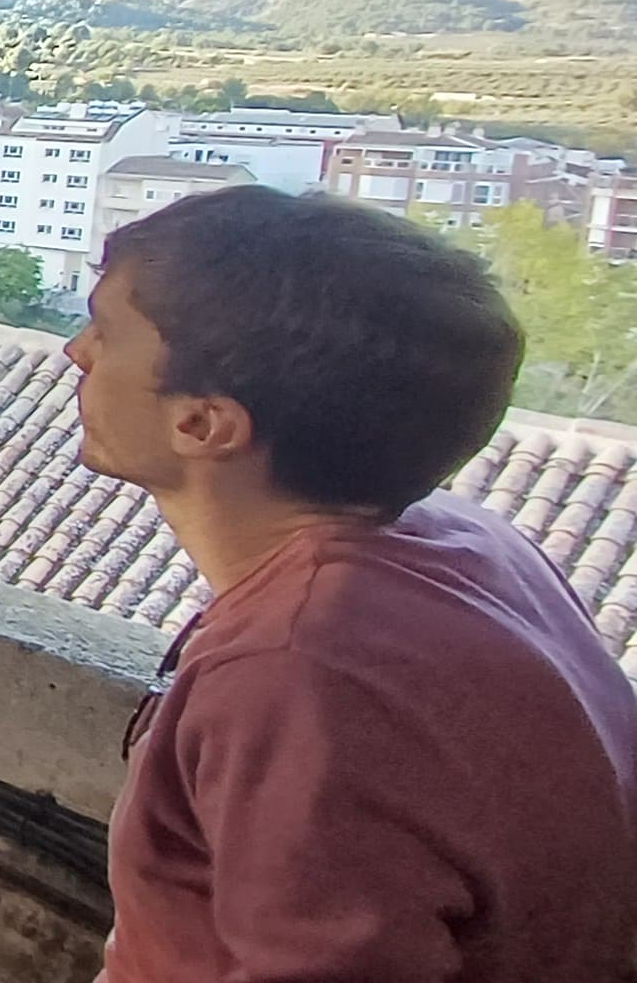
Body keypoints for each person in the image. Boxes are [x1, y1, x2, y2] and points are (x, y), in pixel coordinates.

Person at [76, 186, 637, 982]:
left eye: (105, 333)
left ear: (203, 424)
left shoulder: (298, 669)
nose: (77, 353)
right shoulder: (473, 544)